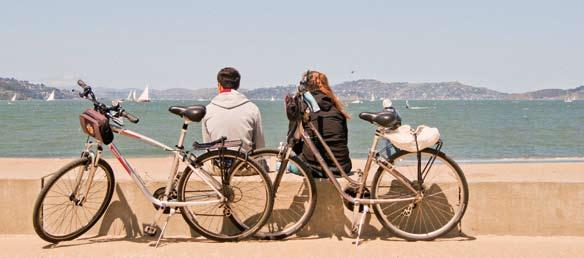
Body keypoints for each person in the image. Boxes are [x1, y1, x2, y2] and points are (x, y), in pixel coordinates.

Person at [293, 70, 352, 178]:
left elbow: (294, 139)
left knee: (287, 163)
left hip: (315, 168)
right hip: (342, 167)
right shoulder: (337, 110)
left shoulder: (305, 108)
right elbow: (344, 139)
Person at [202, 67, 265, 151]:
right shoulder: (252, 108)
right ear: (238, 85)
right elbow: (260, 145)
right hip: (245, 162)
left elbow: (207, 146)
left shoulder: (208, 110)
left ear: (219, 86)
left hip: (217, 161)